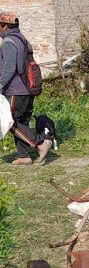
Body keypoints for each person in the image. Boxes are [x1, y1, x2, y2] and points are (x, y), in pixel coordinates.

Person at [0, 11, 52, 165]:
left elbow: (9, 68)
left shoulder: (9, 42)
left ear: (5, 26)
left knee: (9, 122)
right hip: (28, 88)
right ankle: (24, 156)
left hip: (16, 89)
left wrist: (0, 85)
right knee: (22, 120)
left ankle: (41, 142)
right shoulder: (22, 39)